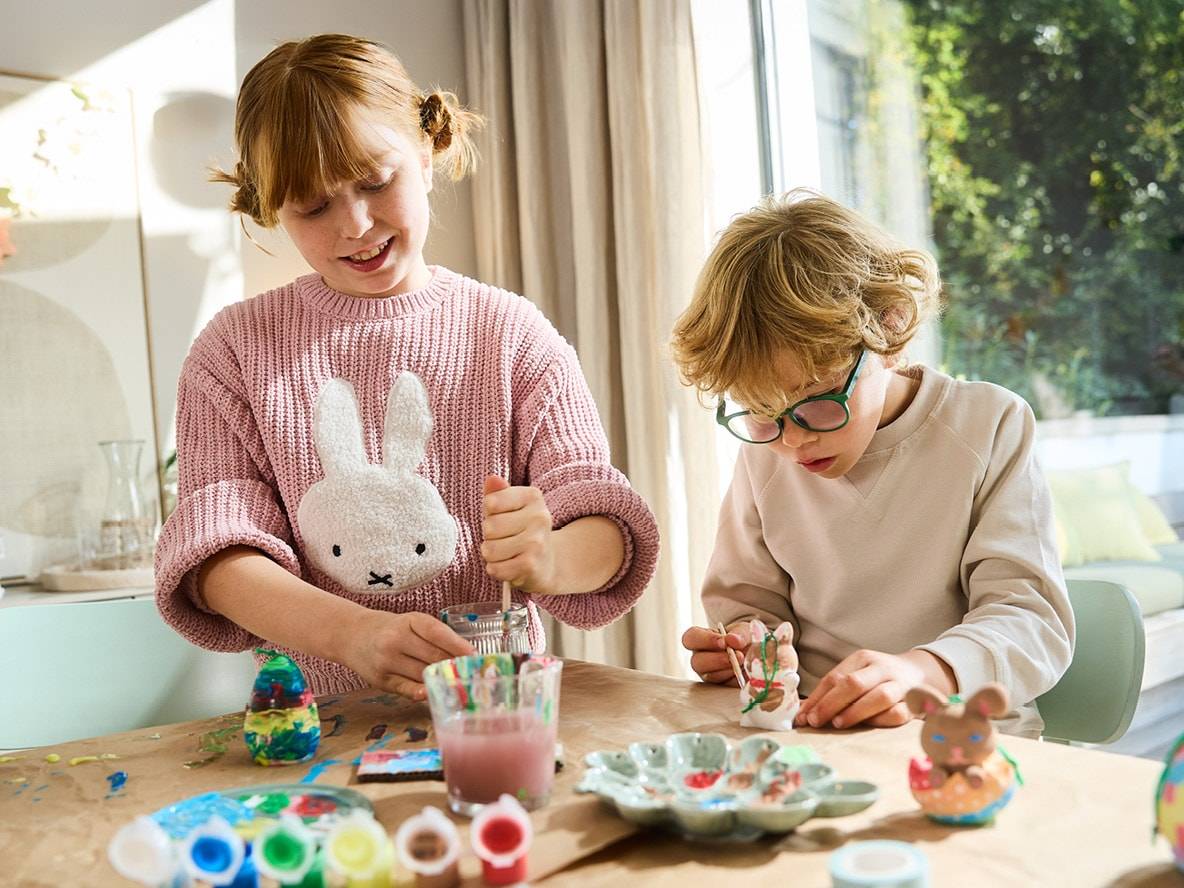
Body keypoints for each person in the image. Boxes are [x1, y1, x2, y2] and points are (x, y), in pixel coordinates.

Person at [155, 34, 658, 700]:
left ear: (425, 150)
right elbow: (217, 558)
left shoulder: (510, 335)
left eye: (375, 180)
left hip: (496, 715)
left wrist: (553, 555)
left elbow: (607, 526)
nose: (356, 224)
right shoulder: (234, 351)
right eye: (313, 205)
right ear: (271, 203)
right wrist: (350, 634)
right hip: (315, 733)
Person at [673, 190, 1073, 736]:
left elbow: (1031, 620)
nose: (791, 442)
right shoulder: (764, 452)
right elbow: (747, 604)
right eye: (764, 412)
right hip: (815, 739)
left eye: (816, 399)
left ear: (889, 332)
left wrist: (922, 672)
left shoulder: (989, 424)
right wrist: (748, 647)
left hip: (961, 742)